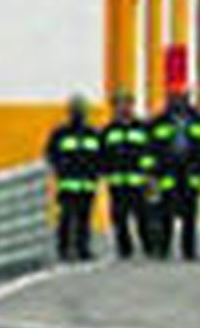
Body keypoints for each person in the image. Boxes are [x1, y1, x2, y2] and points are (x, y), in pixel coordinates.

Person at [148, 88, 200, 260]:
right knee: (165, 212)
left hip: (191, 173)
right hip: (168, 172)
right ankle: (163, 248)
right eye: (174, 98)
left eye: (181, 97)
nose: (178, 101)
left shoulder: (199, 121)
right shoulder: (158, 121)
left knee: (190, 214)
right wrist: (152, 174)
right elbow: (151, 148)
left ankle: (189, 250)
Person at [45, 96, 102, 263]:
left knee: (84, 218)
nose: (79, 114)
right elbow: (51, 154)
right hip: (68, 183)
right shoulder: (60, 134)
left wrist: (95, 173)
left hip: (87, 184)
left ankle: (82, 249)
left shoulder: (93, 134)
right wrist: (61, 170)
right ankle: (64, 249)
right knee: (66, 216)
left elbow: (99, 157)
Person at [100, 91, 153, 260]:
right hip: (117, 182)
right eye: (119, 105)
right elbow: (103, 154)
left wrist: (149, 175)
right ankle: (125, 249)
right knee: (119, 217)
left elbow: (150, 153)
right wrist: (105, 171)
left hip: (138, 182)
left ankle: (149, 246)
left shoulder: (142, 128)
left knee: (142, 217)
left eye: (126, 104)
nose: (123, 108)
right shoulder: (108, 131)